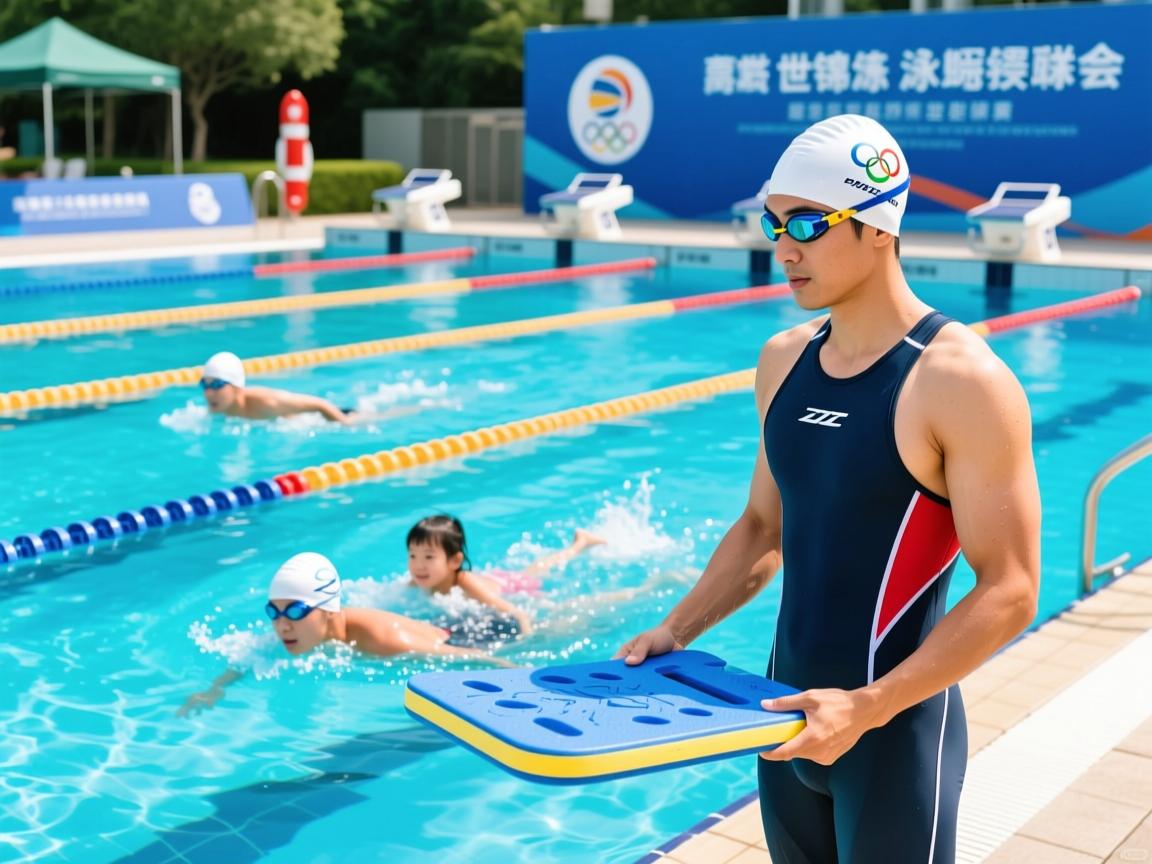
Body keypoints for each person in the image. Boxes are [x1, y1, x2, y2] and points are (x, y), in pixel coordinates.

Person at [615, 114, 1040, 863]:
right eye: (773, 223)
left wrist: (868, 708)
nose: (783, 248)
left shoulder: (959, 381)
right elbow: (761, 528)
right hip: (781, 725)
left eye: (807, 224)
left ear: (879, 224)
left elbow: (1010, 588)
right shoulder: (783, 360)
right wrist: (675, 630)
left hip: (893, 736)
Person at [180, 552, 510, 715]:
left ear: (329, 611)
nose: (282, 625)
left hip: (473, 635)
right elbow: (251, 658)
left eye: (295, 612)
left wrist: (516, 677)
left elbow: (472, 658)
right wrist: (213, 691)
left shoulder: (381, 641)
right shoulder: (295, 632)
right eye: (274, 612)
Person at [407, 514, 606, 637]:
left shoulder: (465, 582)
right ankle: (580, 543)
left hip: (511, 587)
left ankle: (579, 545)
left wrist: (526, 632)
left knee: (538, 574)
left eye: (429, 557)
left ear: (455, 562)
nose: (419, 565)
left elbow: (513, 611)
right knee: (536, 568)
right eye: (413, 556)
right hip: (496, 578)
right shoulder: (419, 580)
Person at [199, 351, 351, 424]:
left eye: (217, 385)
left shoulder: (266, 402)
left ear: (237, 387)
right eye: (205, 384)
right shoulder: (218, 408)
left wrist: (345, 424)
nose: (208, 392)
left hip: (323, 417)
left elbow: (320, 405)